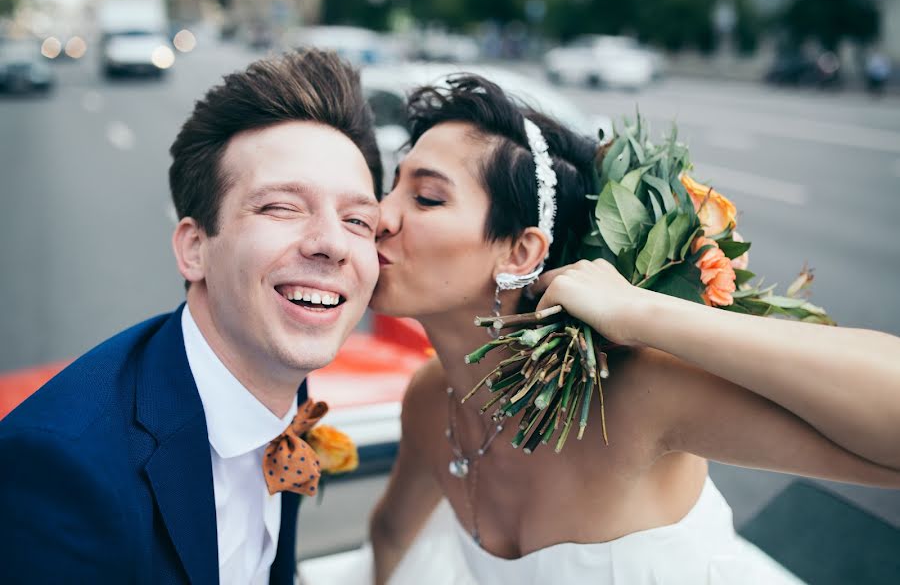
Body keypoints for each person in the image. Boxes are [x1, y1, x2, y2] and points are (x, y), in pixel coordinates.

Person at [365, 74, 900, 584]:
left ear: (521, 251)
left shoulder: (629, 392)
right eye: (391, 187)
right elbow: (390, 535)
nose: (379, 216)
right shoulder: (430, 400)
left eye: (428, 198)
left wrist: (640, 312)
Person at [0, 49, 383, 584]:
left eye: (358, 220)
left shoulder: (281, 385)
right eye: (281, 207)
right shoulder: (64, 469)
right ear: (195, 248)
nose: (332, 244)